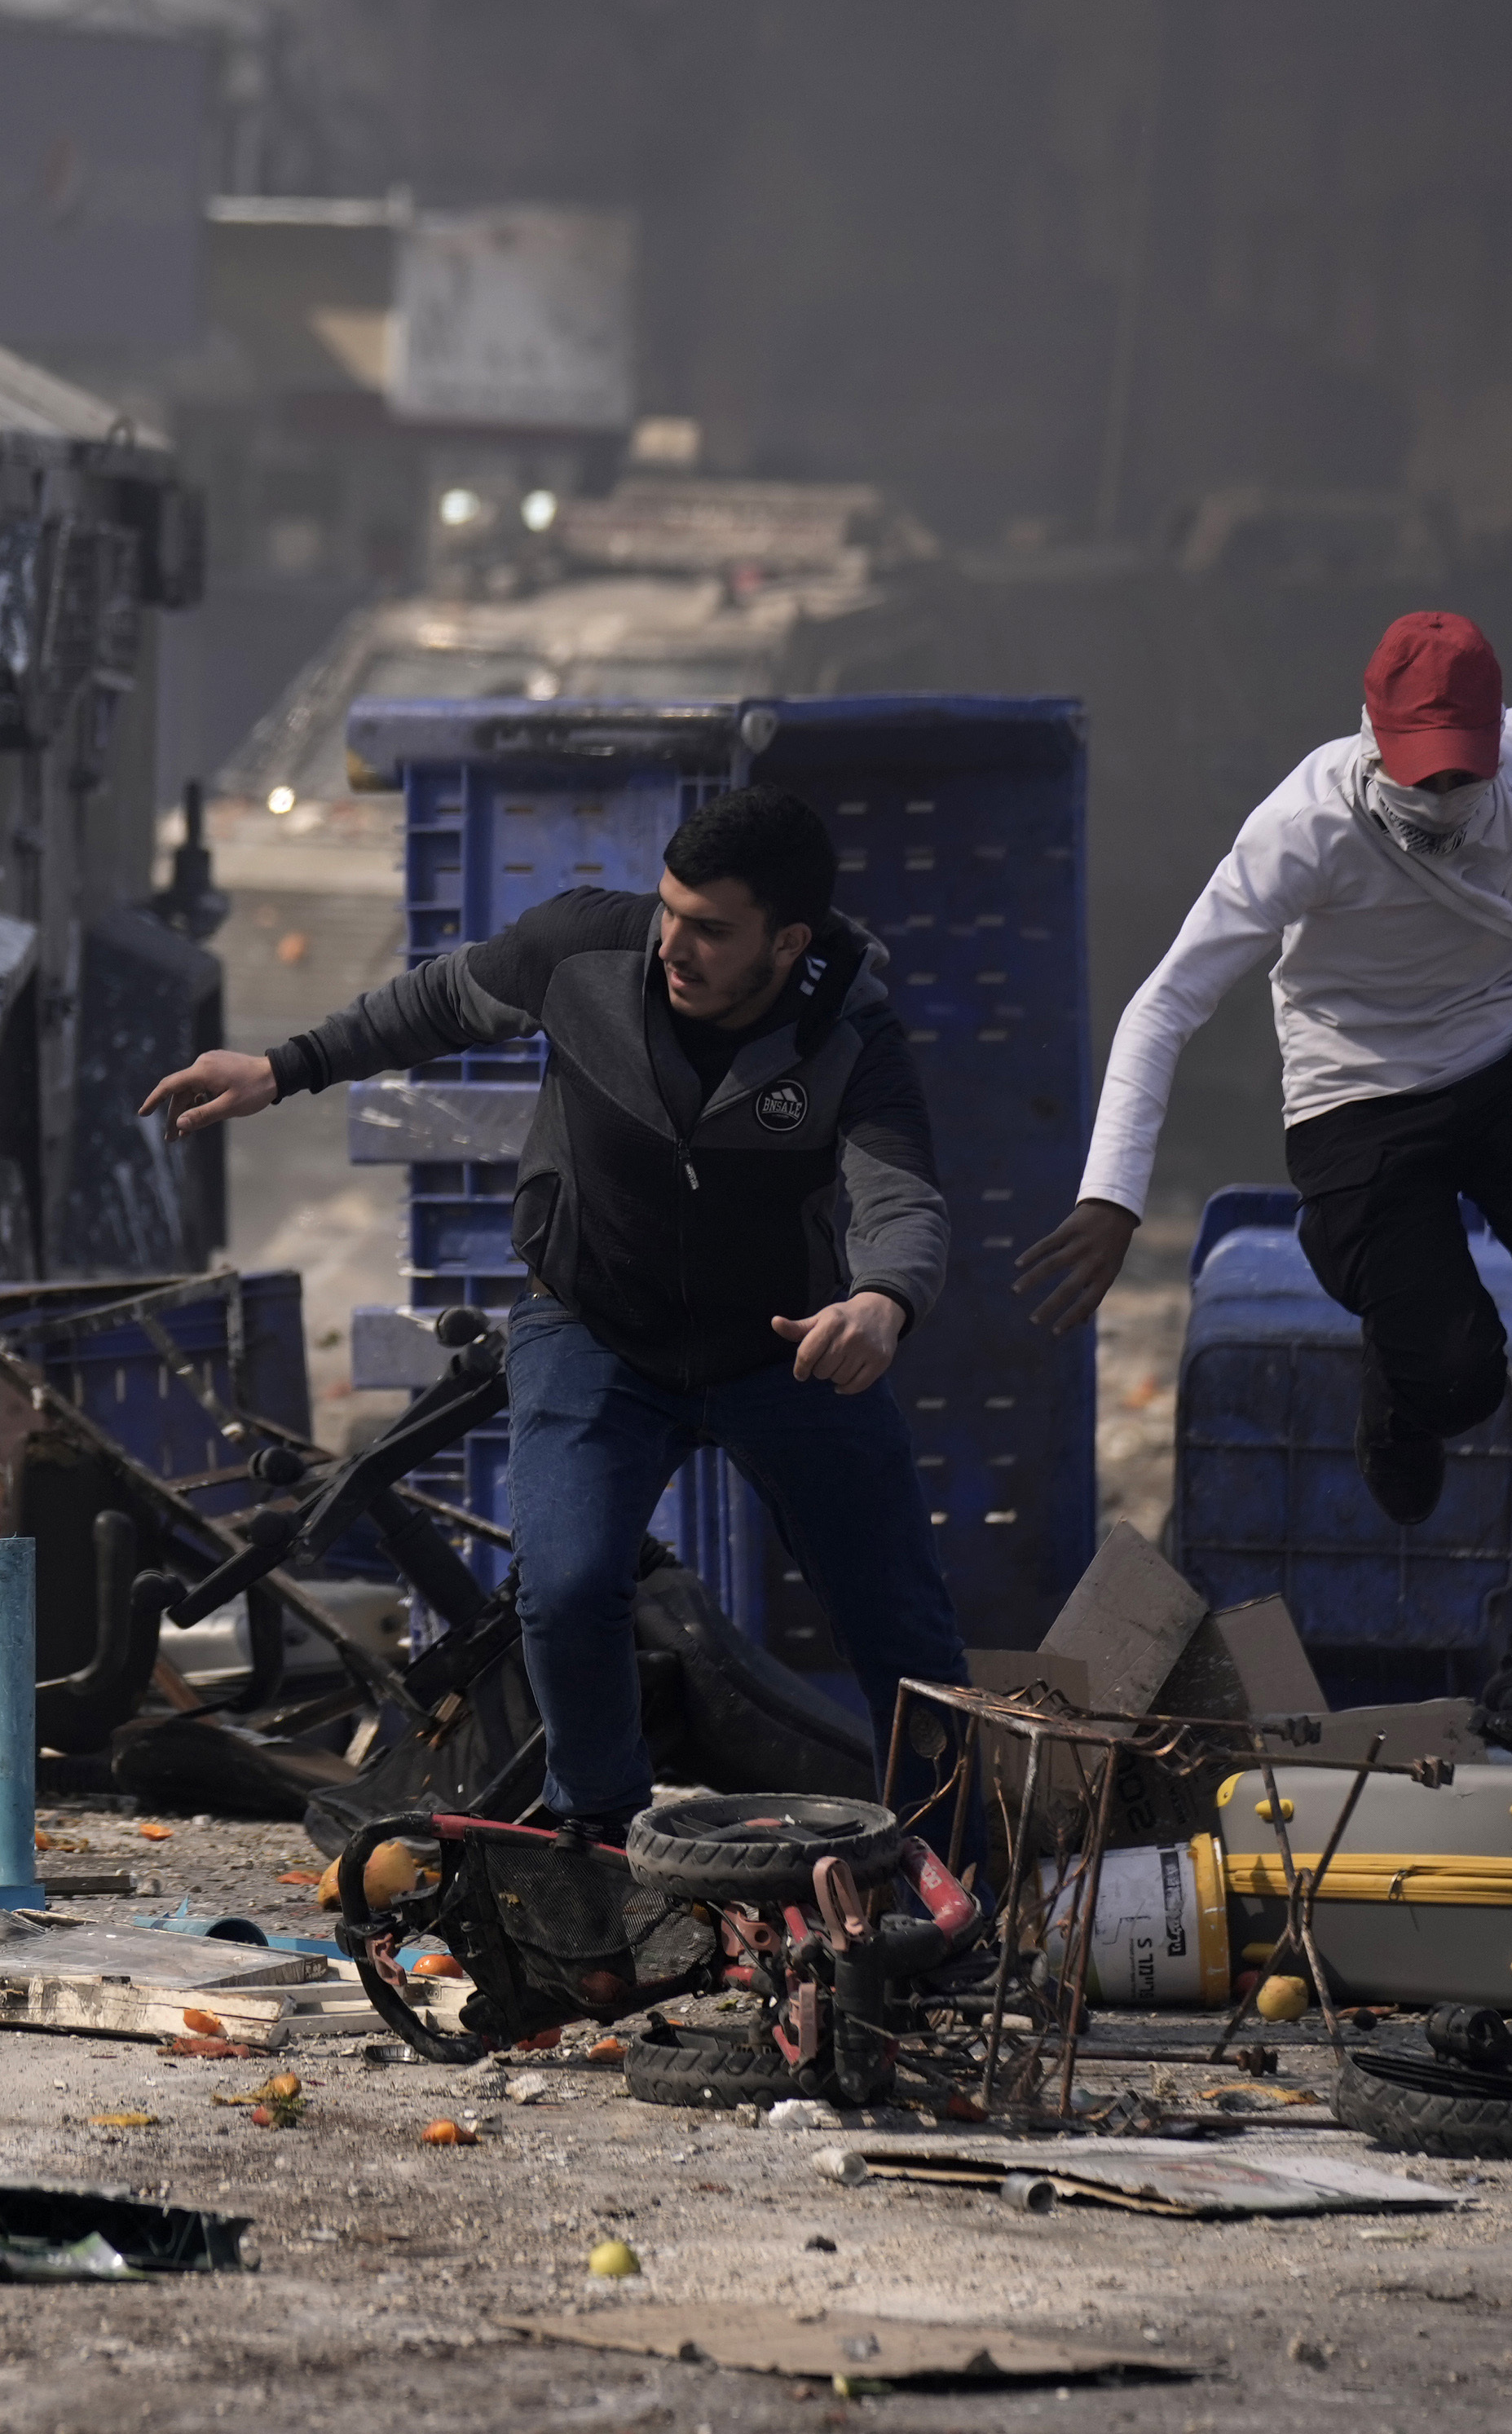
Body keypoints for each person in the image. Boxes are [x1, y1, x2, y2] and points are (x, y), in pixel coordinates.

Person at [1014, 612, 1512, 1767]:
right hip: (1357, 1103)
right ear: (1372, 733)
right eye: (1421, 768)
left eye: (1463, 768)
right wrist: (1113, 1193)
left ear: (1498, 738)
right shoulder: (1300, 827)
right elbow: (1166, 1004)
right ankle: (1405, 1379)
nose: (1442, 793)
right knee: (1458, 1376)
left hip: (1510, 1064)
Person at [141, 786, 962, 1840]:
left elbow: (901, 1195)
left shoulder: (852, 1031)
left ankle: (948, 1881)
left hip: (782, 1352)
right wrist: (280, 1068)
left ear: (787, 940)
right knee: (567, 1594)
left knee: (906, 1627)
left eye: (713, 930)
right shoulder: (583, 952)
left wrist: (884, 1302)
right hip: (593, 1329)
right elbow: (435, 1002)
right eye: (672, 911)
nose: (678, 944)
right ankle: (599, 1852)